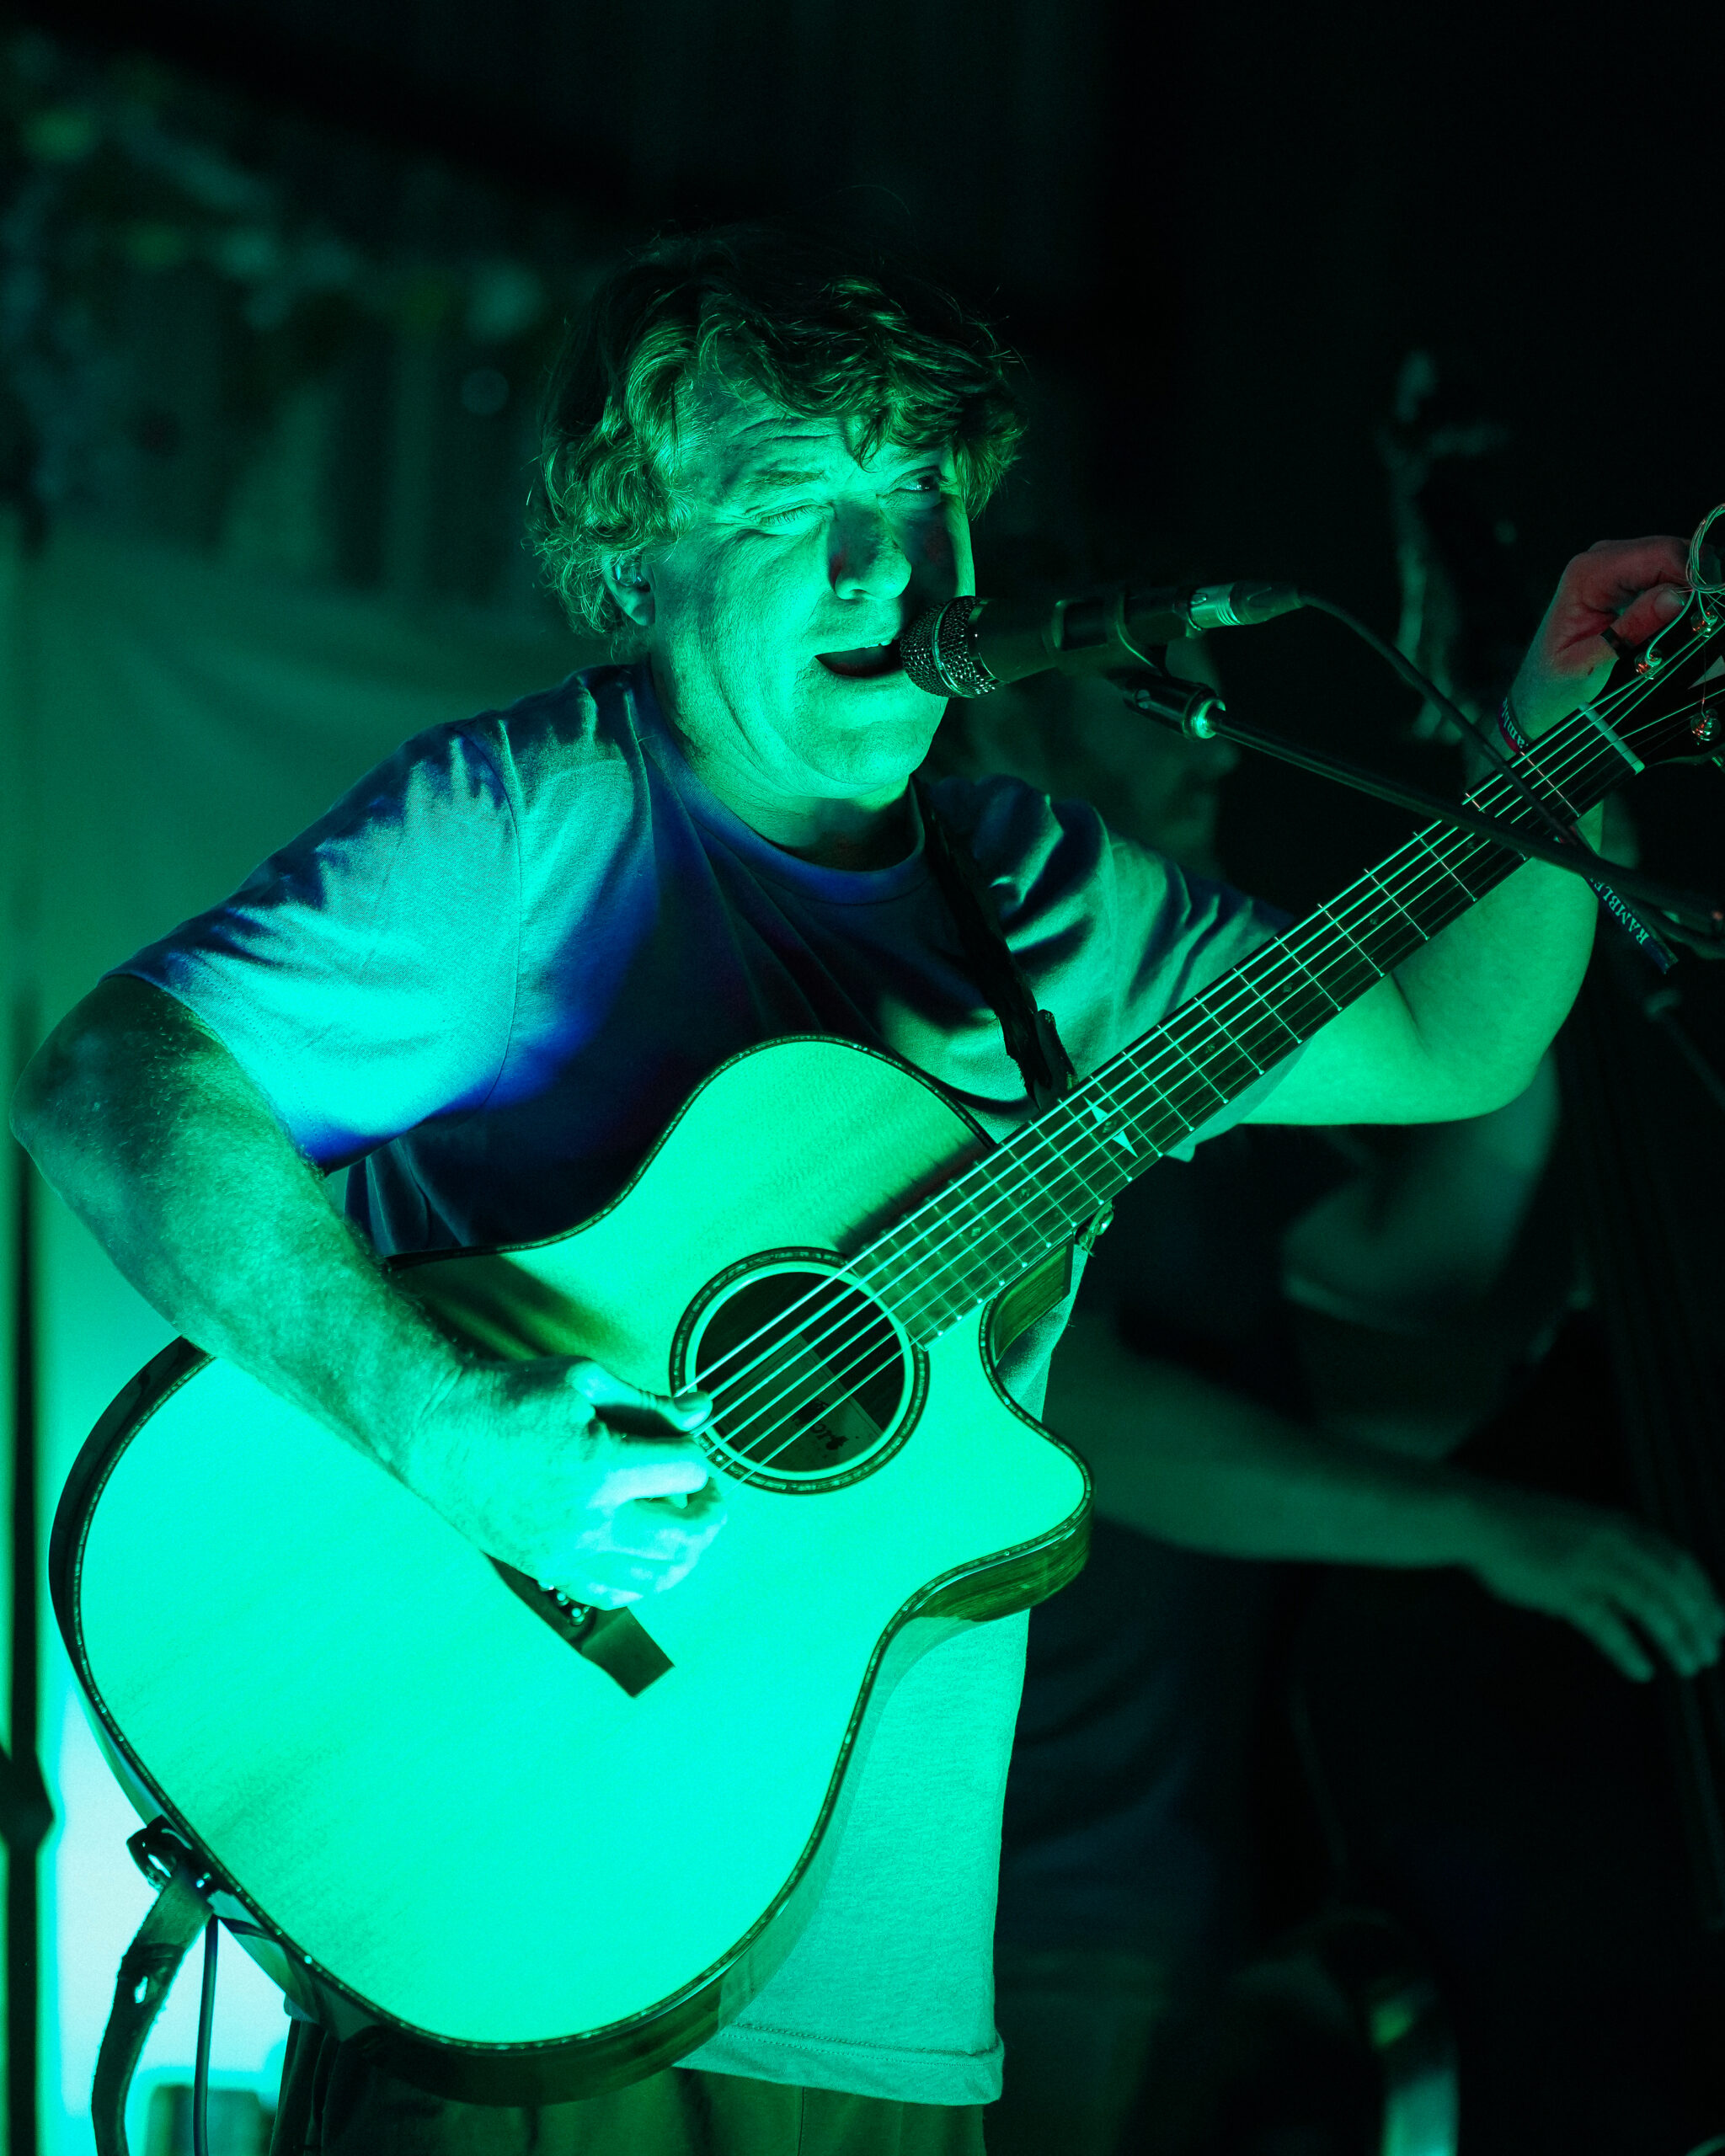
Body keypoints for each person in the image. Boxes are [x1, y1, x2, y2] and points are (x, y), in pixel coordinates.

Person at [8, 223, 1699, 2156]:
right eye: (793, 498)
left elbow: (1441, 1040)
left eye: (914, 493)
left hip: (887, 1971)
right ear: (639, 547)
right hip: (505, 1886)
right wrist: (457, 1427)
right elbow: (110, 1081)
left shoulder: (1043, 897)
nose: (880, 565)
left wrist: (1560, 743)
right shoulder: (532, 824)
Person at [946, 662, 1723, 2153]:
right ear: (1005, 723)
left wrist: (1538, 883)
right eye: (1148, 705)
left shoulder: (1176, 1052)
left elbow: (1425, 1248)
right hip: (1037, 1880)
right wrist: (1487, 1527)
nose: (1213, 753)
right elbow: (1080, 1415)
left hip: (1206, 1863)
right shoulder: (980, 1026)